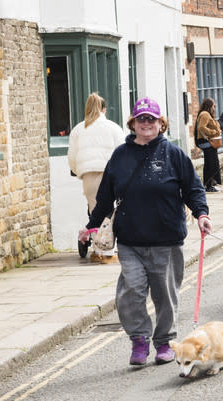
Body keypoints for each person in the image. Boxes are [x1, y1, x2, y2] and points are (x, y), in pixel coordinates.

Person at [78, 97, 211, 367]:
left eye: (152, 119)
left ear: (161, 123)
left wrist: (202, 214)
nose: (146, 123)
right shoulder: (121, 155)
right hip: (130, 241)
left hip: (167, 239)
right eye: (141, 119)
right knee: (131, 293)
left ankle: (164, 341)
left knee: (165, 295)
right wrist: (91, 225)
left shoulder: (173, 154)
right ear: (133, 123)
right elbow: (104, 197)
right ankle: (139, 339)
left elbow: (193, 188)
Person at [67, 92, 125, 261]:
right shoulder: (113, 127)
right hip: (112, 173)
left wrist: (78, 171)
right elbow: (122, 152)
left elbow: (72, 156)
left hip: (89, 175)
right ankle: (107, 248)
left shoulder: (78, 129)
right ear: (103, 109)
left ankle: (101, 246)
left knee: (96, 210)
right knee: (113, 209)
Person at [195, 98, 222, 192]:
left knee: (209, 163)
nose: (214, 108)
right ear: (209, 106)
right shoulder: (205, 114)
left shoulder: (204, 114)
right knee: (211, 163)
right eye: (213, 106)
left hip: (205, 142)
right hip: (206, 142)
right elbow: (201, 127)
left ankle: (209, 184)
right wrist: (213, 132)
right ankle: (209, 185)